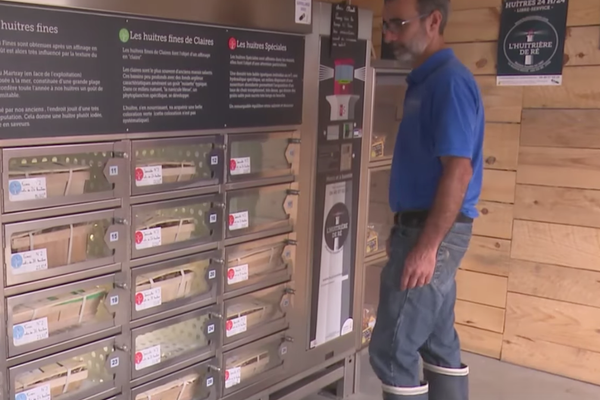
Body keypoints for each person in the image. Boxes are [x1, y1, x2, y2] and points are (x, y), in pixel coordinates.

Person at [367, 1, 485, 400]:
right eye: (386, 25)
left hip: (434, 233)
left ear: (433, 21)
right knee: (437, 340)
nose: (388, 35)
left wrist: (426, 246)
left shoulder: (448, 83)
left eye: (397, 24)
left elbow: (459, 171)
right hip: (422, 228)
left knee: (392, 349)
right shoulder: (426, 80)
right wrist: (404, 230)